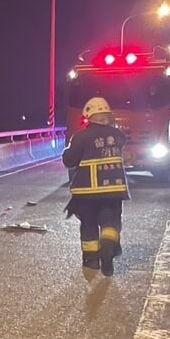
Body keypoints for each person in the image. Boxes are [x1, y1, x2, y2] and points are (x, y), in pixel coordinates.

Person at [62, 97, 130, 277]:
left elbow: (69, 161)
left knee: (89, 223)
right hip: (114, 191)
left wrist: (69, 148)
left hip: (86, 192)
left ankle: (91, 259)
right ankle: (108, 244)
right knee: (111, 221)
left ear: (89, 116)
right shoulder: (119, 136)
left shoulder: (81, 136)